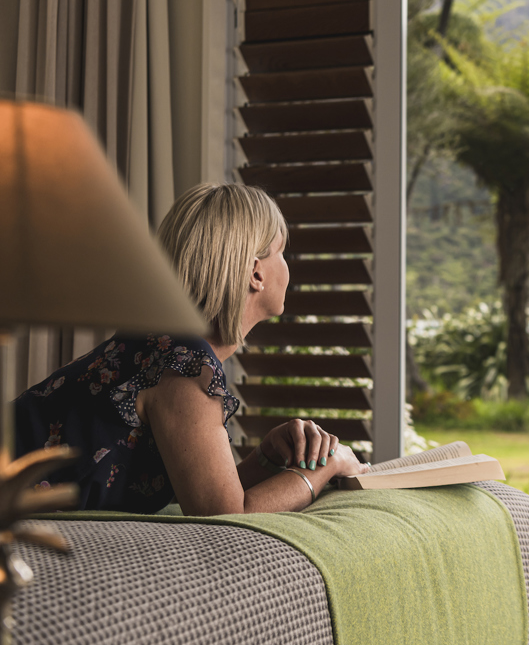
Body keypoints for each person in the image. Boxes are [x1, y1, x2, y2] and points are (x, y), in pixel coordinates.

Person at [15, 182, 368, 515]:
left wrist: (268, 455)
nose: (288, 266)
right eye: (281, 251)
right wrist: (331, 463)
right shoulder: (184, 369)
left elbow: (206, 491)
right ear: (255, 273)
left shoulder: (161, 346)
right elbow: (226, 514)